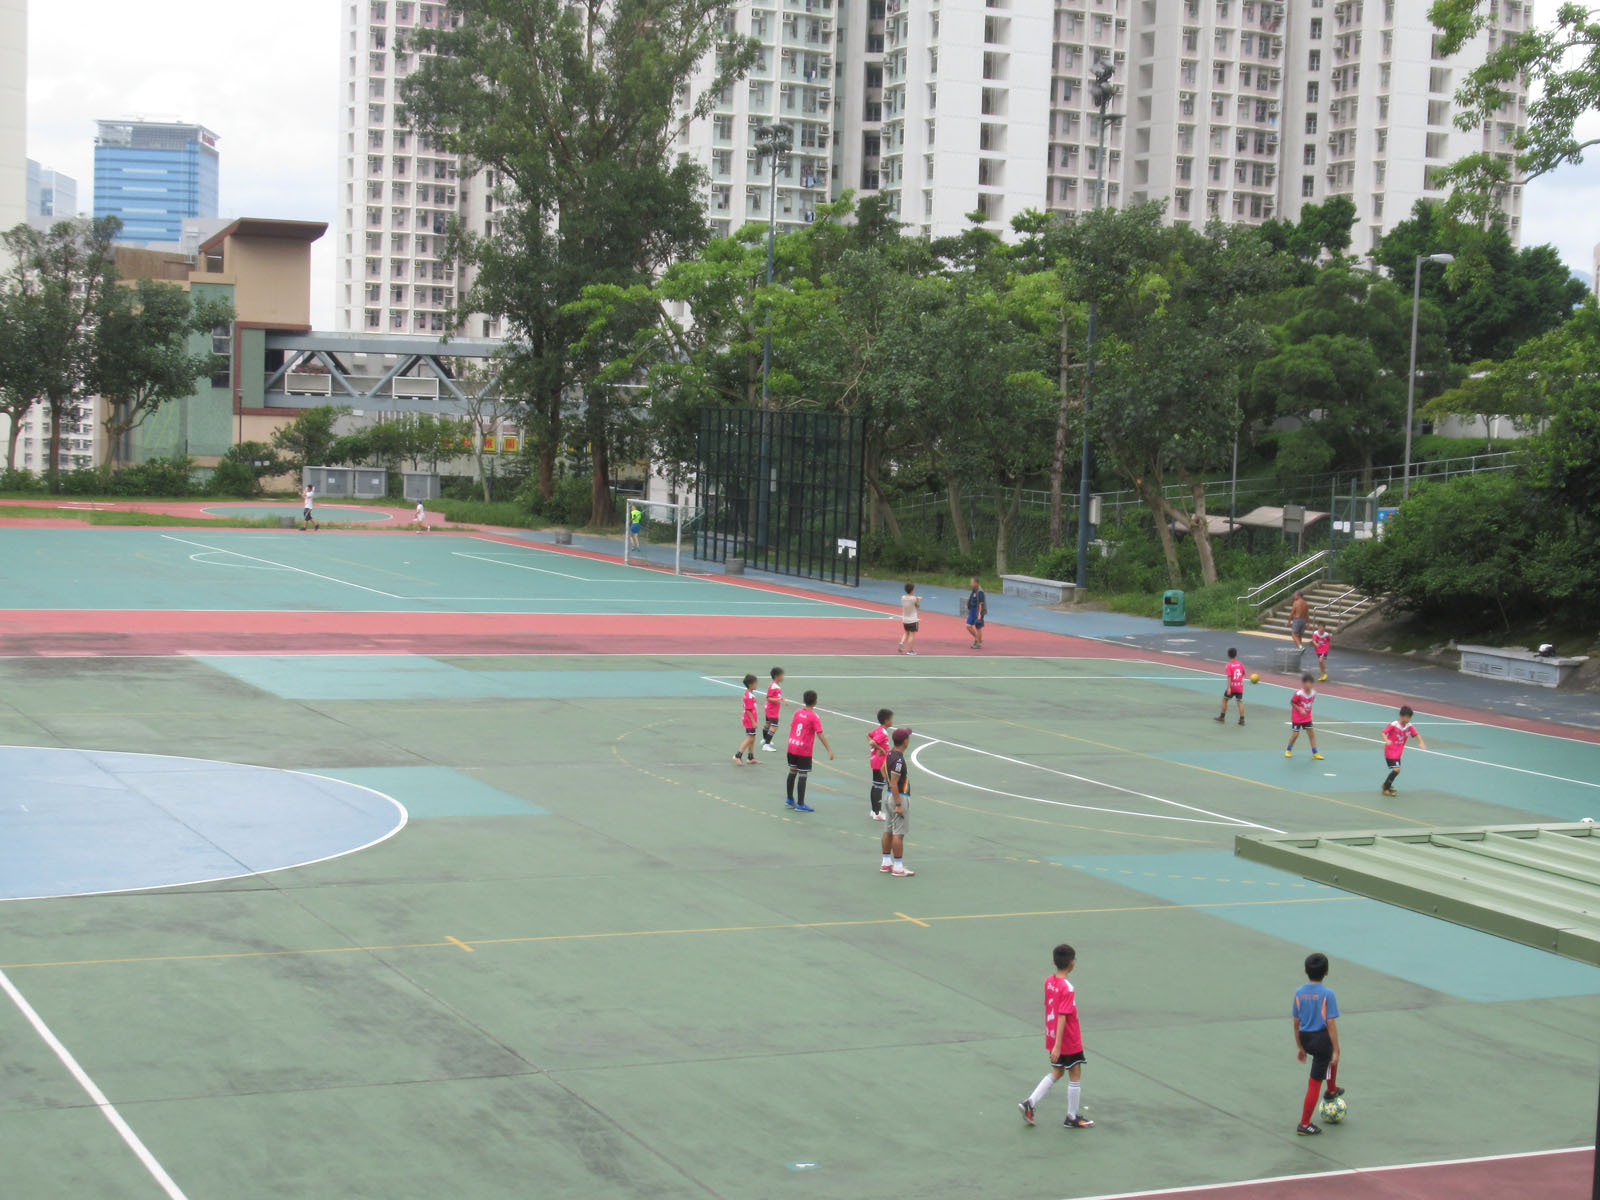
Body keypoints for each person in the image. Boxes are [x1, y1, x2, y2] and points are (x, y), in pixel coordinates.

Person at [1018, 942, 1094, 1129]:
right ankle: (1071, 1116)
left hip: (1052, 1035)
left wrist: (1053, 1042)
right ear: (1072, 963)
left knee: (1058, 1071)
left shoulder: (1048, 981)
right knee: (1075, 1072)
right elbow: (1063, 1015)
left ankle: (1030, 1103)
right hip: (1067, 1038)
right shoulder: (1067, 987)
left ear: (1054, 961)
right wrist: (1059, 1045)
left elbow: (1050, 1007)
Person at [1291, 951, 1343, 1136]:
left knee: (1327, 1060)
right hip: (1321, 1040)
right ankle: (1304, 1124)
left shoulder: (1299, 992)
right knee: (1316, 1081)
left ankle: (1332, 1089)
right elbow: (1330, 1023)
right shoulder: (1328, 994)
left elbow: (1296, 1022)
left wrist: (1300, 1047)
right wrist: (1335, 1050)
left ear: (1306, 970)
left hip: (1305, 1037)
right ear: (1326, 972)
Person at [785, 690, 833, 812]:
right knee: (803, 774)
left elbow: (793, 726)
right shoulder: (814, 716)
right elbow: (820, 734)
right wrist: (829, 749)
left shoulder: (797, 712)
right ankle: (800, 804)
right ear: (815, 702)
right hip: (803, 749)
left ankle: (790, 799)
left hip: (792, 746)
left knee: (792, 771)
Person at [878, 727, 915, 876]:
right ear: (905, 741)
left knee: (888, 830)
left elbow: (882, 770)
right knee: (898, 833)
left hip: (889, 796)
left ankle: (886, 862)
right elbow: (894, 782)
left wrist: (889, 784)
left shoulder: (890, 754)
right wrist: (899, 804)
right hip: (898, 796)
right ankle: (898, 867)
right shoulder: (899, 759)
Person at [1381, 705, 1425, 797]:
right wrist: (1386, 740)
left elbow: (1417, 734)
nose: (1408, 719)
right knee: (1397, 769)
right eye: (1407, 717)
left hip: (1398, 752)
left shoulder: (1409, 726)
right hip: (1390, 751)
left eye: (1410, 717)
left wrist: (1421, 743)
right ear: (1401, 716)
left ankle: (1386, 784)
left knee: (1397, 770)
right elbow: (1383, 732)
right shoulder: (1394, 724)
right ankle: (1385, 788)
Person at [1285, 673, 1324, 760]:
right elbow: (1292, 702)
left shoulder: (1313, 693)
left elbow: (1310, 705)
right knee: (1295, 734)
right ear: (1304, 683)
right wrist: (1299, 709)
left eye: (1310, 683)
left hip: (1307, 718)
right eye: (1307, 683)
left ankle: (1315, 753)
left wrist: (1310, 715)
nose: (1309, 685)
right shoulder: (1299, 693)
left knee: (1311, 734)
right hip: (1297, 717)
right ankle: (1288, 750)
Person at [867, 707, 893, 821]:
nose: (892, 721)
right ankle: (877, 812)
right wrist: (880, 749)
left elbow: (868, 735)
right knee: (878, 786)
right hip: (880, 762)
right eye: (891, 719)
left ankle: (874, 810)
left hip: (874, 760)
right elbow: (872, 741)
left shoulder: (878, 730)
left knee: (875, 785)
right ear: (886, 720)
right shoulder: (882, 732)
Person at [734, 674, 760, 766]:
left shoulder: (749, 694)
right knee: (750, 738)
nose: (756, 685)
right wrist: (753, 721)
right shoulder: (749, 696)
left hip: (750, 719)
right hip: (749, 720)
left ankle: (750, 757)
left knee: (752, 737)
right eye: (755, 683)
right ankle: (738, 755)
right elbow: (748, 710)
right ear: (750, 685)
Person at [1216, 647, 1247, 725]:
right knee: (1239, 702)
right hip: (1240, 686)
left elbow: (1229, 676)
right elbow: (1243, 674)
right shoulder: (1240, 664)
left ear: (1228, 655)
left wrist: (1229, 687)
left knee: (1224, 700)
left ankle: (1222, 717)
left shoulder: (1229, 665)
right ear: (1236, 655)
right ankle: (1242, 719)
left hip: (1232, 687)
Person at [761, 667, 784, 752]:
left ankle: (764, 740)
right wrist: (779, 699)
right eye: (782, 675)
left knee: (768, 723)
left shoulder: (775, 685)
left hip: (770, 708)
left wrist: (780, 699)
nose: (783, 677)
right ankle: (766, 745)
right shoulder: (773, 686)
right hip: (772, 710)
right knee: (774, 726)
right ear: (776, 676)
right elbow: (769, 698)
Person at [898, 583, 921, 655]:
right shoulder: (914, 598)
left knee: (906, 632)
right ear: (912, 590)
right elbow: (917, 606)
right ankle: (910, 650)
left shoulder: (903, 597)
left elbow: (909, 599)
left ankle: (901, 642)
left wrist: (917, 598)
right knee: (911, 635)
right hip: (913, 620)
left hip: (905, 619)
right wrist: (918, 599)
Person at [966, 577, 988, 650]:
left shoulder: (980, 591)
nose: (970, 584)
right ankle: (978, 639)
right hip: (972, 611)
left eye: (971, 582)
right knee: (968, 625)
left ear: (976, 583)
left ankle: (978, 643)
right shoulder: (974, 590)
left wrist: (979, 614)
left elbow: (980, 604)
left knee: (978, 627)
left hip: (977, 611)